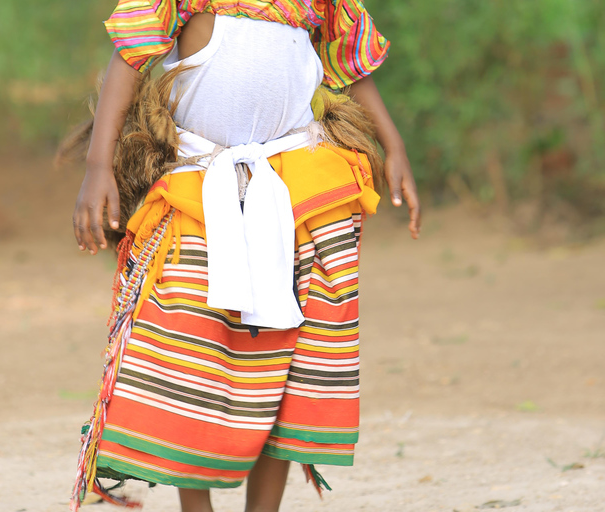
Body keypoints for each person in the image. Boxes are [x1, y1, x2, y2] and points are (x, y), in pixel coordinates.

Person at [66, 1, 420, 511]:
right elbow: (127, 58)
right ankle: (197, 506)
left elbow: (353, 64)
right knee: (195, 355)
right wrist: (99, 164)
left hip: (297, 189)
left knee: (289, 360)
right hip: (200, 193)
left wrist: (396, 146)